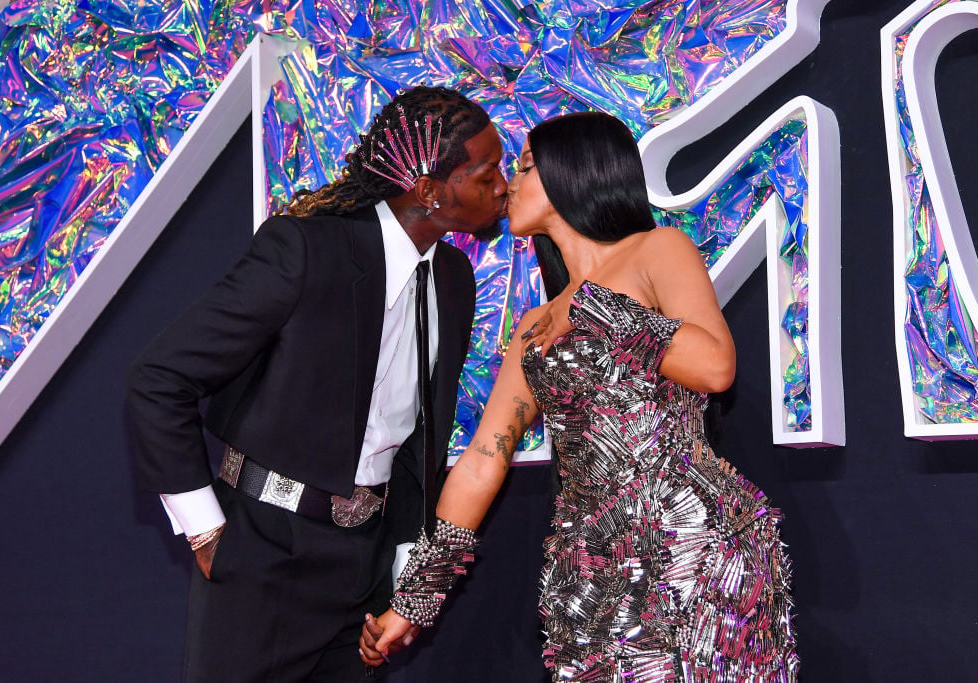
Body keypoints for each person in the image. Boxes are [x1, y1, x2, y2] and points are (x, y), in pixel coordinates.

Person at [360, 111, 798, 681]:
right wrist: (414, 600)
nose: (508, 185)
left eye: (523, 166)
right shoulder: (535, 326)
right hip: (587, 574)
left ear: (574, 171)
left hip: (694, 550)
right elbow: (481, 463)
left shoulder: (657, 250)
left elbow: (714, 367)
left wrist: (589, 304)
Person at [126, 85, 508, 682]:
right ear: (430, 191)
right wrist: (206, 531)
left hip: (367, 564)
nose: (504, 186)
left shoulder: (454, 277)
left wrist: (405, 572)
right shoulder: (308, 248)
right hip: (266, 552)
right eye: (488, 173)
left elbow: (417, 441)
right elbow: (160, 378)